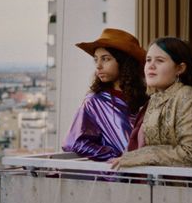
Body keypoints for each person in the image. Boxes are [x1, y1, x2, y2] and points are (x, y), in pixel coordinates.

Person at [110, 37, 192, 169]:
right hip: (154, 185)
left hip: (184, 187)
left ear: (180, 68)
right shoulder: (153, 99)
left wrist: (144, 155)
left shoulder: (190, 101)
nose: (151, 66)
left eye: (160, 60)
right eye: (148, 60)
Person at [62, 28, 148, 161]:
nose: (98, 66)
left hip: (147, 174)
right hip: (115, 176)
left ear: (124, 62)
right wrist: (113, 156)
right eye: (96, 60)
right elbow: (73, 142)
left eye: (106, 59)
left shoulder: (146, 99)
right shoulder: (94, 101)